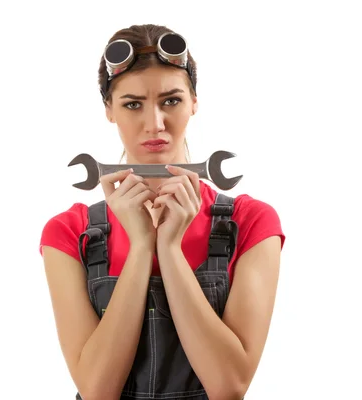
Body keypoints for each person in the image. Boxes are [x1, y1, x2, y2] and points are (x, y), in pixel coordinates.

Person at [39, 24, 286, 400]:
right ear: (109, 110)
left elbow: (229, 386)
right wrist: (141, 247)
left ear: (194, 101)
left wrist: (169, 249)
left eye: (171, 100)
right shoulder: (69, 232)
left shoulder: (251, 222)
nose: (155, 123)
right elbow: (96, 391)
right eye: (132, 104)